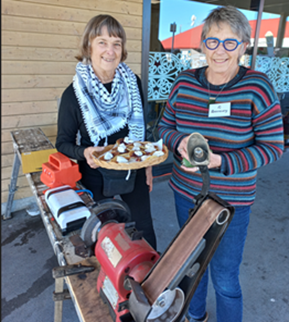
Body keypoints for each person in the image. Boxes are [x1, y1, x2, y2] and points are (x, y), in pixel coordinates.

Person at [158, 6, 284, 322]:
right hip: (186, 193)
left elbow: (273, 147)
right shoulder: (185, 82)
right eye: (213, 42)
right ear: (202, 44)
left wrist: (220, 162)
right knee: (191, 267)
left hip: (231, 202)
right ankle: (195, 316)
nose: (220, 51)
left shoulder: (257, 86)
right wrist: (178, 142)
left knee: (225, 278)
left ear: (243, 46)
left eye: (230, 43)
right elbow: (164, 127)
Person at [56, 14, 156, 249]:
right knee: (104, 235)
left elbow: (142, 131)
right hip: (96, 173)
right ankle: (111, 281)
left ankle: (150, 279)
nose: (110, 51)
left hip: (134, 168)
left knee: (143, 230)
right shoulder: (74, 94)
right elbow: (63, 143)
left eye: (116, 43)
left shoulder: (133, 84)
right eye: (102, 42)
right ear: (88, 46)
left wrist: (149, 163)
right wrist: (85, 152)